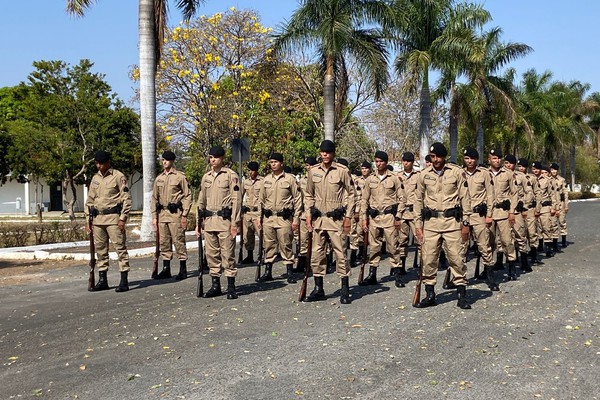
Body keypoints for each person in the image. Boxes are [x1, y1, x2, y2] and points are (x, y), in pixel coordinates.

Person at [414, 142, 472, 309]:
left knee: (456, 258)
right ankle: (430, 294)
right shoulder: (423, 175)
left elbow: (465, 198)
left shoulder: (456, 173)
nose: (436, 159)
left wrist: (466, 222)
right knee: (429, 259)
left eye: (438, 156)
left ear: (444, 157)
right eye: (433, 157)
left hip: (451, 222)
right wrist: (418, 225)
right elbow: (418, 200)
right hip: (430, 223)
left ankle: (461, 295)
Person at [305, 140, 355, 304]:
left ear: (333, 153)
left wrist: (348, 217)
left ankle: (345, 289)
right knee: (317, 255)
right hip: (319, 219)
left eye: (328, 152)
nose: (325, 154)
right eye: (322, 152)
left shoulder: (342, 171)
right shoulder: (313, 172)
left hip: (336, 220)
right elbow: (308, 194)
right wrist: (308, 215)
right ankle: (319, 288)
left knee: (340, 254)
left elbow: (352, 194)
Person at [196, 146, 241, 299]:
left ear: (222, 159)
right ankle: (215, 285)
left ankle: (231, 286)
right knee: (211, 255)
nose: (212, 160)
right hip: (209, 221)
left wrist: (235, 223)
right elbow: (201, 200)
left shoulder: (230, 175)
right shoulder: (206, 177)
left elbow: (236, 200)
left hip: (224, 221)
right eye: (210, 157)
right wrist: (198, 222)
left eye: (215, 157)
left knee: (227, 254)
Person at [85, 150, 132, 292]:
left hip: (113, 219)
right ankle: (102, 280)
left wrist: (122, 218)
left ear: (108, 163)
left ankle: (124, 280)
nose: (98, 166)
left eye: (101, 163)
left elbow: (126, 199)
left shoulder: (118, 176)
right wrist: (88, 220)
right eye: (97, 163)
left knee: (120, 249)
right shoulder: (95, 178)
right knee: (100, 251)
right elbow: (90, 200)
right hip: (98, 220)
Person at [360, 151, 406, 288]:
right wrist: (364, 218)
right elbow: (364, 200)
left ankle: (397, 274)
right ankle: (372, 274)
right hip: (374, 218)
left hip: (389, 217)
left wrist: (398, 216)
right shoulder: (370, 179)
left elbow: (402, 199)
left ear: (386, 162)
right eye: (376, 161)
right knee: (374, 247)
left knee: (393, 246)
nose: (378, 164)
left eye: (381, 161)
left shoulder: (394, 178)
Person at [257, 153, 302, 283]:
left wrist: (296, 219)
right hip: (268, 218)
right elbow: (261, 199)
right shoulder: (266, 180)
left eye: (276, 162)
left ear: (281, 163)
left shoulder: (290, 179)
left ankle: (289, 272)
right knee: (269, 245)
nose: (273, 164)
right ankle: (268, 272)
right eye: (271, 162)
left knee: (286, 244)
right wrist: (259, 217)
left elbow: (298, 199)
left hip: (284, 218)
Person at [151, 151, 192, 280]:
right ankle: (166, 268)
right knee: (164, 243)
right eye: (163, 160)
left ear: (172, 161)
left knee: (178, 241)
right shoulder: (159, 178)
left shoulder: (180, 177)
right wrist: (154, 217)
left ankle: (183, 269)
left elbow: (187, 196)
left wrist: (184, 214)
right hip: (162, 214)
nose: (164, 162)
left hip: (175, 214)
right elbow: (154, 198)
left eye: (167, 160)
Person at [462, 147, 498, 290]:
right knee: (461, 248)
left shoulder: (484, 174)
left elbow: (491, 196)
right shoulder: (459, 173)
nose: (469, 161)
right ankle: (459, 278)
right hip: (463, 216)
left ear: (477, 159)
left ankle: (490, 278)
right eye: (467, 158)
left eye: (472, 158)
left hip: (479, 216)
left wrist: (489, 215)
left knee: (484, 247)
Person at [488, 148, 518, 280]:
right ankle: (487, 269)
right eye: (494, 158)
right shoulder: (484, 173)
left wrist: (512, 212)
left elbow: (514, 193)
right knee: (488, 242)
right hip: (488, 213)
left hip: (504, 213)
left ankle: (511, 268)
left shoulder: (508, 174)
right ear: (489, 159)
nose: (497, 160)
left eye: (499, 158)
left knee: (507, 241)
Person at [397, 151, 420, 275]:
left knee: (419, 239)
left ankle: (422, 266)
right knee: (402, 240)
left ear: (412, 162)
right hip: (401, 212)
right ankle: (401, 266)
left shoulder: (418, 176)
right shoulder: (397, 176)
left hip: (414, 212)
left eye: (408, 161)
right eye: (404, 161)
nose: (406, 163)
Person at [517, 158, 542, 265]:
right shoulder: (514, 177)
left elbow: (538, 193)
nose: (521, 168)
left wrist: (538, 209)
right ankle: (521, 256)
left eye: (523, 166)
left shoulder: (531, 178)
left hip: (530, 209)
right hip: (517, 210)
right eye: (519, 166)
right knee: (519, 233)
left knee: (532, 232)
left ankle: (534, 255)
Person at [296, 156, 318, 272]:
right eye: (307, 165)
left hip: (317, 214)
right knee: (303, 240)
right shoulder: (302, 180)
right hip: (304, 214)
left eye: (311, 165)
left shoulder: (318, 178)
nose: (308, 167)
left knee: (317, 240)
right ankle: (303, 262)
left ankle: (319, 263)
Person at [532, 163, 558, 257]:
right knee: (535, 229)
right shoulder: (529, 179)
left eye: (537, 169)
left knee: (546, 227)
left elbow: (552, 195)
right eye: (534, 169)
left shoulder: (547, 181)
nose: (536, 171)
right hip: (533, 208)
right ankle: (536, 247)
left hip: (544, 207)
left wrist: (553, 207)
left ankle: (548, 248)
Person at [241, 161, 264, 264]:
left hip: (257, 212)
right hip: (247, 212)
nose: (250, 172)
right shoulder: (245, 182)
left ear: (256, 171)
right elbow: (240, 195)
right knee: (247, 235)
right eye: (249, 170)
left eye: (252, 170)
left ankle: (263, 255)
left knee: (261, 234)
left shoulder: (262, 181)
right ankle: (249, 255)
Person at [353, 161, 372, 265]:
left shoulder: (373, 179)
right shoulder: (357, 181)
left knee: (372, 233)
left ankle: (370, 253)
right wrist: (356, 211)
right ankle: (361, 252)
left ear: (370, 169)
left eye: (366, 168)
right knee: (359, 231)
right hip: (360, 209)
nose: (364, 170)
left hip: (372, 209)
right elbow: (355, 196)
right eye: (362, 168)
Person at [549, 163, 569, 249]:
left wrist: (566, 205)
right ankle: (555, 243)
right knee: (553, 224)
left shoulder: (562, 180)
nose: (553, 171)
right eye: (552, 169)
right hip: (552, 205)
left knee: (562, 222)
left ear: (557, 170)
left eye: (555, 169)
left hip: (561, 204)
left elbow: (565, 193)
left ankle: (564, 240)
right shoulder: (548, 180)